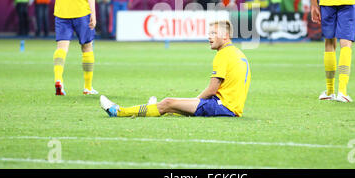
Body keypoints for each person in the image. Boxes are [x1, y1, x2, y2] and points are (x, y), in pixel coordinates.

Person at [100, 20, 251, 118]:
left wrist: (195, 101)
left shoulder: (223, 55)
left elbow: (211, 90)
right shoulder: (238, 53)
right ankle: (152, 108)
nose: (209, 36)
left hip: (223, 108)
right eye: (209, 33)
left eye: (213, 33)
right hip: (230, 107)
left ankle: (118, 111)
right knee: (173, 107)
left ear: (225, 36)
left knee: (168, 102)